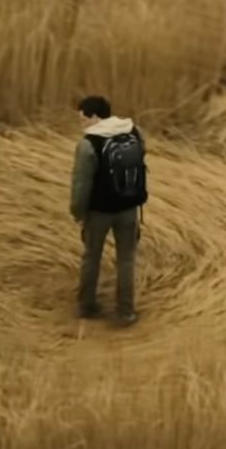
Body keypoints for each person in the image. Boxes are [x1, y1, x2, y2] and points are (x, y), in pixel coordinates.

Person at [69, 95, 146, 325]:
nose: (81, 125)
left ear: (93, 117)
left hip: (99, 211)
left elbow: (81, 184)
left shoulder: (88, 144)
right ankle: (125, 311)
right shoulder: (134, 131)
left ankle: (87, 306)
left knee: (92, 256)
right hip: (129, 207)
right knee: (126, 260)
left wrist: (77, 212)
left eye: (82, 119)